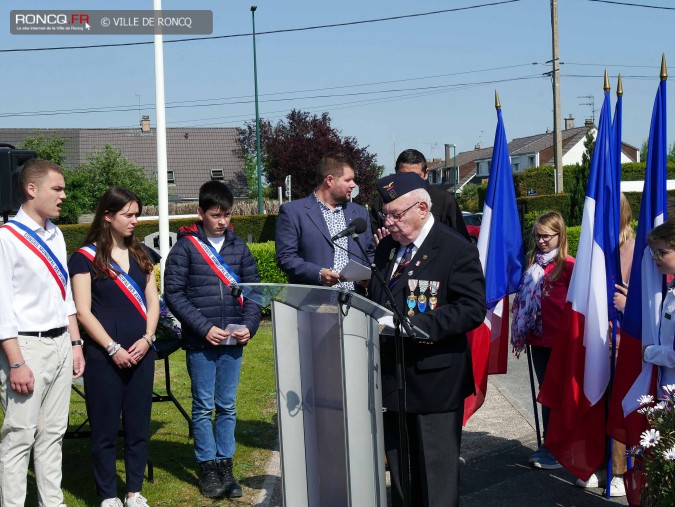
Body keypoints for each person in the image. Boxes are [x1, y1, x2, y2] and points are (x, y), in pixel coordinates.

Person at [369, 172, 486, 507]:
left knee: (436, 480)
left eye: (395, 214)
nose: (388, 222)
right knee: (402, 480)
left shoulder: (455, 248)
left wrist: (416, 325)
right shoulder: (388, 248)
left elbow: (471, 309)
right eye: (385, 215)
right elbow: (381, 297)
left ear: (422, 208)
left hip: (435, 380)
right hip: (394, 379)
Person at [164, 181, 261, 499]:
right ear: (200, 213)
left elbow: (255, 291)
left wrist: (250, 326)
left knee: (228, 406)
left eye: (227, 215)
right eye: (216, 215)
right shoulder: (184, 248)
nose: (222, 221)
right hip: (201, 342)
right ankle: (208, 467)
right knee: (204, 406)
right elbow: (175, 295)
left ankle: (225, 465)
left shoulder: (239, 247)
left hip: (234, 342)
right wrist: (204, 327)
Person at [0, 159, 86, 507]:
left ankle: (53, 502)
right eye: (58, 189)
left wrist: (76, 343)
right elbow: (2, 305)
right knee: (19, 435)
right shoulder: (7, 239)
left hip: (62, 343)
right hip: (26, 347)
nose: (64, 195)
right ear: (31, 189)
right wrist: (16, 362)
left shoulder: (56, 233)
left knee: (53, 434)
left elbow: (64, 294)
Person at [69, 187, 160, 507]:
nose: (136, 220)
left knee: (138, 425)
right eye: (129, 215)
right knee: (105, 429)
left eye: (137, 214)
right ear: (108, 217)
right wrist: (111, 348)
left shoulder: (142, 254)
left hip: (141, 353)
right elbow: (82, 311)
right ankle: (108, 495)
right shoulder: (83, 258)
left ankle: (134, 491)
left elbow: (153, 301)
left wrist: (147, 338)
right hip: (102, 357)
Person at [576, 193, 634, 496]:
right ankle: (600, 465)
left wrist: (627, 304)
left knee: (618, 409)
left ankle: (621, 471)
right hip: (596, 341)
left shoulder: (635, 249)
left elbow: (648, 299)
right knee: (597, 404)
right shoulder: (596, 248)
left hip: (623, 343)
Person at [510, 211, 575, 470]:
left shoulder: (569, 265)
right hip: (538, 340)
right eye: (538, 236)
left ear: (560, 235)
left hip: (561, 342)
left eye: (547, 236)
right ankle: (551, 445)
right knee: (545, 395)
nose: (542, 241)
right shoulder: (534, 263)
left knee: (556, 396)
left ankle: (557, 448)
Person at [275, 152, 375, 291]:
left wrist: (369, 275)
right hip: (313, 302)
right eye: (348, 180)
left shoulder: (360, 213)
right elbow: (286, 257)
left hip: (356, 303)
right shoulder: (293, 212)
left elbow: (369, 252)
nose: (353, 185)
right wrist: (318, 273)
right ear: (329, 180)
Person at [370, 148, 470, 243]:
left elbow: (461, 241)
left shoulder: (444, 200)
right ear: (396, 173)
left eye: (415, 176)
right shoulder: (383, 202)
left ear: (426, 173)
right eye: (403, 176)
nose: (409, 182)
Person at [642, 221, 675, 400]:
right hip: (666, 392)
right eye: (654, 252)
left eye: (661, 252)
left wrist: (648, 352)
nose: (655, 257)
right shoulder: (671, 287)